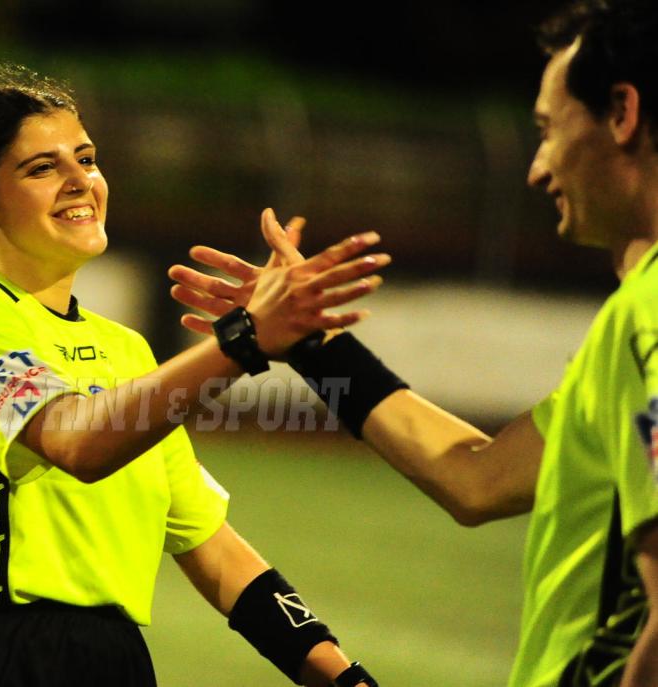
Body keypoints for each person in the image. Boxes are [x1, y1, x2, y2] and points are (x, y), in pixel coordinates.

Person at [168, 0, 658, 685]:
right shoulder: (633, 314)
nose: (537, 168)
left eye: (549, 130)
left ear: (623, 113)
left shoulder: (648, 318)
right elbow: (479, 478)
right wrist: (311, 342)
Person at [0, 64, 389, 687]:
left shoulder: (126, 351)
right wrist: (244, 339)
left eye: (86, 159)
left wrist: (340, 675)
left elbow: (214, 550)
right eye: (42, 168)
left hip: (111, 661)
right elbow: (78, 442)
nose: (80, 181)